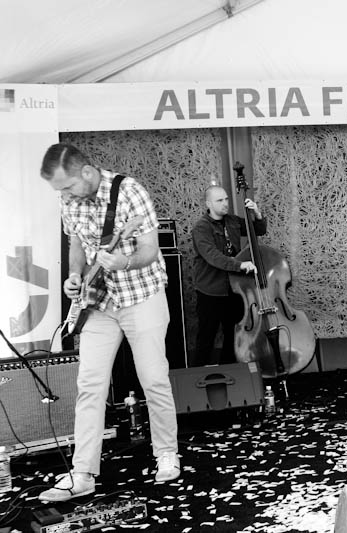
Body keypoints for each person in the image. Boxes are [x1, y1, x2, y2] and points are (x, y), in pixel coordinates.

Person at [39, 143, 180, 502]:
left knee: (153, 379)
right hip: (99, 301)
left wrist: (124, 263)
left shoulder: (130, 192)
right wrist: (74, 276)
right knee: (89, 385)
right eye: (59, 190)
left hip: (142, 295)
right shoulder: (69, 200)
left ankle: (166, 453)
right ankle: (83, 472)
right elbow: (75, 244)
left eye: (67, 186)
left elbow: (150, 249)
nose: (64, 194)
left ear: (86, 172)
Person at [191, 185, 266, 366]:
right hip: (210, 290)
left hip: (234, 288)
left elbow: (258, 230)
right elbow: (213, 257)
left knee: (233, 336)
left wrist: (256, 213)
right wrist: (240, 265)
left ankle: (229, 373)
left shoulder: (232, 221)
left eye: (226, 199)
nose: (225, 203)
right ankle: (199, 375)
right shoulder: (201, 228)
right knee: (206, 336)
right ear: (208, 204)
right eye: (219, 200)